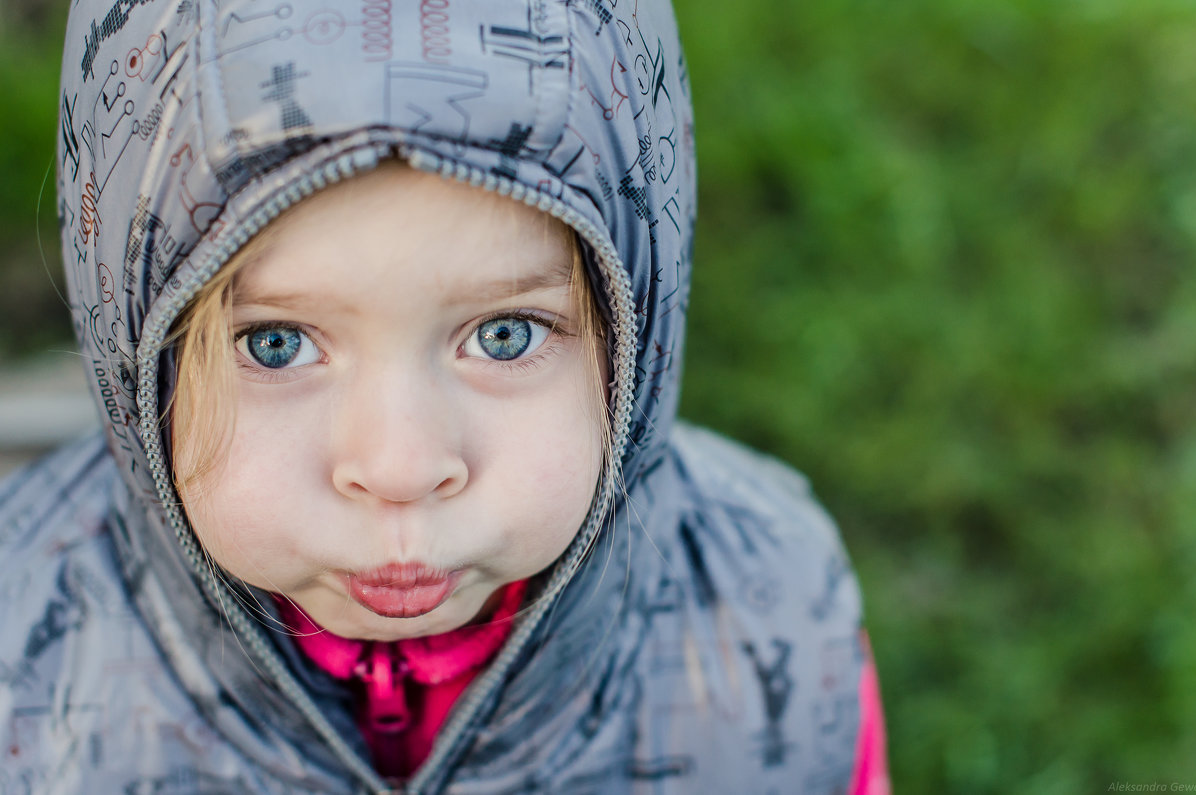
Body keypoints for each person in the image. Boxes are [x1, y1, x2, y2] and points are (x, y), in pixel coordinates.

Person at [0, 0, 889, 791]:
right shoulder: (23, 671)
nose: (402, 466)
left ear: (635, 330)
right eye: (277, 343)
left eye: (505, 334)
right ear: (133, 352)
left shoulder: (773, 608)